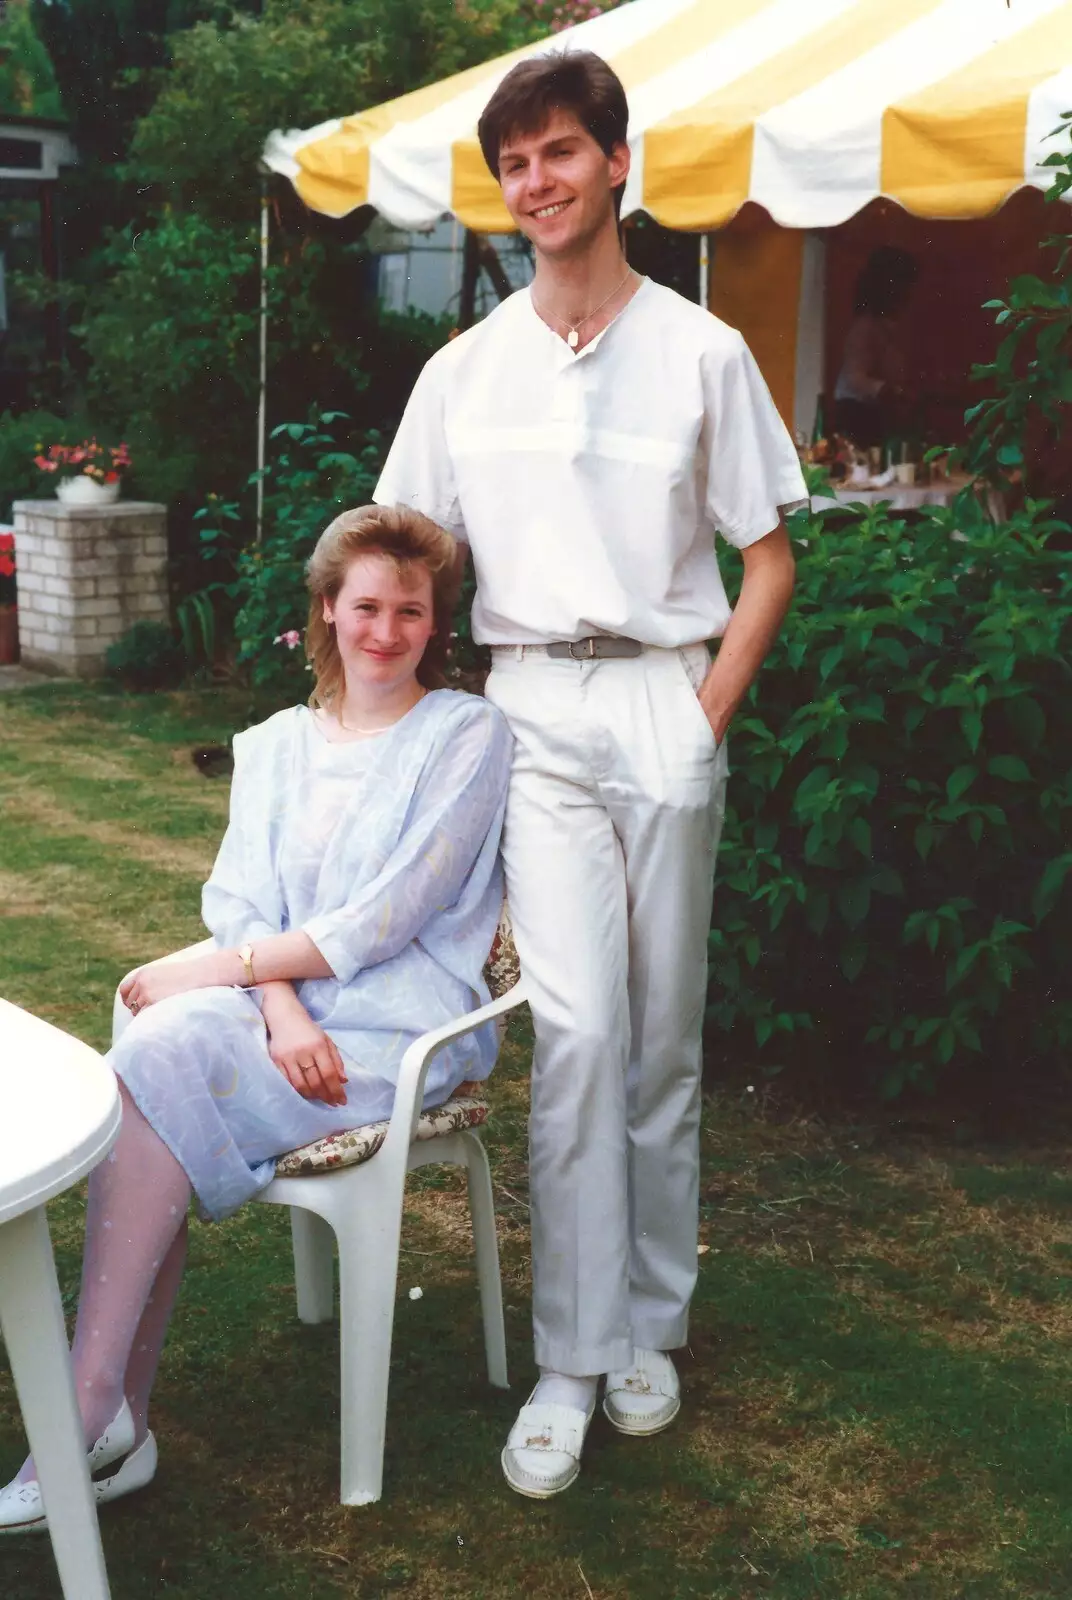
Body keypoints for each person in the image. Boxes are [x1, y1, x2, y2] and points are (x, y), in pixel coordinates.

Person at [373, 50, 806, 1498]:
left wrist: (706, 713)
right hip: (533, 709)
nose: (537, 182)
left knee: (663, 1036)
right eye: (514, 163)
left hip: (663, 701)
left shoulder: (703, 351)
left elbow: (768, 555)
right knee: (577, 1038)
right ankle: (568, 1356)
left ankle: (652, 1329)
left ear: (618, 164)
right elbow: (409, 560)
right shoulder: (463, 371)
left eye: (560, 152)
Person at [0, 503, 512, 1534]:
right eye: (365, 604)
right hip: (285, 1016)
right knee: (158, 1046)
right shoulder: (276, 743)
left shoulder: (466, 733)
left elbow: (389, 915)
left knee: (157, 1054)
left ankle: (93, 1413)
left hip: (390, 1021)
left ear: (433, 623)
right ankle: (103, 1413)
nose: (385, 629)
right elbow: (242, 900)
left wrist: (221, 969)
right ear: (327, 610)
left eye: (410, 610)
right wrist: (268, 1000)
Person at [833, 245, 919, 448]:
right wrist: (890, 391)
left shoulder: (890, 327)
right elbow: (855, 378)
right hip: (856, 413)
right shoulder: (865, 327)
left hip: (875, 412)